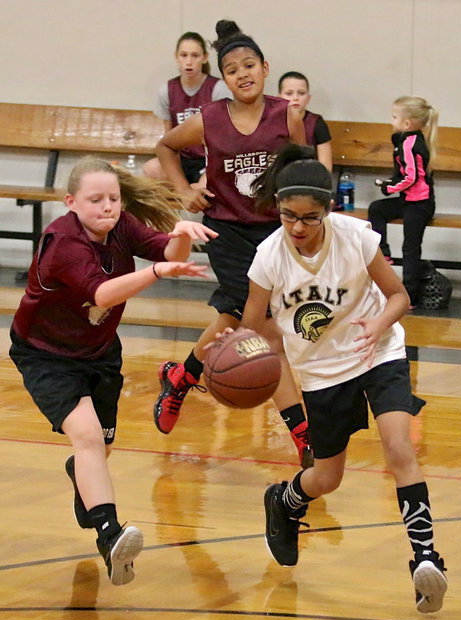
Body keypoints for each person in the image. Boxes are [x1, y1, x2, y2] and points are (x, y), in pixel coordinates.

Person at [239, 144, 447, 613]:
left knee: (400, 448)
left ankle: (425, 559)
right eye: (287, 215)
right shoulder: (270, 256)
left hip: (378, 353)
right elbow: (254, 321)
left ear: (328, 211)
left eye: (308, 218)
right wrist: (263, 351)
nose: (297, 227)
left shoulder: (356, 237)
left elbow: (398, 296)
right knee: (327, 478)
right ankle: (286, 500)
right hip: (320, 370)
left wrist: (377, 325)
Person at [9, 157, 213, 586]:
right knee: (85, 436)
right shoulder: (62, 242)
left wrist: (179, 236)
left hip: (99, 351)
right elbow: (102, 292)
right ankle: (110, 533)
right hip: (46, 353)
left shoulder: (121, 224)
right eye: (96, 199)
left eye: (114, 199)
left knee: (99, 448)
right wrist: (156, 271)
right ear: (71, 202)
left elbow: (166, 252)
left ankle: (83, 478)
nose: (108, 207)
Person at [151, 19, 314, 468]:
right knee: (266, 330)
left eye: (249, 65)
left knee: (231, 316)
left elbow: (300, 172)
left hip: (275, 233)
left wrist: (305, 228)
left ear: (265, 68)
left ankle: (182, 377)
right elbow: (166, 147)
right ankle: (304, 436)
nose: (242, 74)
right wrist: (184, 191)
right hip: (227, 232)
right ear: (221, 80)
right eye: (231, 69)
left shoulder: (288, 115)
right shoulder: (209, 118)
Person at [366, 96, 438, 308]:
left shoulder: (411, 144)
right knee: (376, 209)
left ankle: (410, 296)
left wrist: (390, 187)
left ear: (407, 124)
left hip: (421, 203)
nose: (391, 121)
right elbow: (403, 174)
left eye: (395, 117)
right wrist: (390, 183)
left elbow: (412, 177)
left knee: (410, 248)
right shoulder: (404, 141)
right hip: (408, 199)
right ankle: (383, 252)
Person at [142, 32, 230, 185]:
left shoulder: (217, 89)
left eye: (195, 55)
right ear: (177, 57)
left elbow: (224, 137)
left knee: (206, 183)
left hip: (208, 159)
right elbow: (168, 139)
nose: (189, 61)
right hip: (181, 159)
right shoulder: (167, 90)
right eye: (184, 55)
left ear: (204, 58)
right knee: (151, 169)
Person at [277, 71, 333, 172]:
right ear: (278, 97)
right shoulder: (270, 123)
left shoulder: (317, 123)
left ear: (308, 98)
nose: (295, 98)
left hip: (308, 180)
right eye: (289, 93)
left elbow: (326, 169)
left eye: (301, 93)